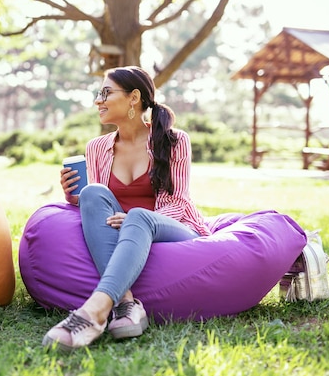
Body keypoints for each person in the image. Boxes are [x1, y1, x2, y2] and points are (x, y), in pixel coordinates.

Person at [42, 66, 211, 352]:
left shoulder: (174, 141)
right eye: (99, 93)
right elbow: (99, 206)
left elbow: (179, 200)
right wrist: (75, 198)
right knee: (92, 192)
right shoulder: (96, 147)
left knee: (140, 217)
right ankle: (126, 305)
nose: (98, 100)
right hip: (124, 233)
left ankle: (94, 312)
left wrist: (137, 219)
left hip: (172, 227)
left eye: (106, 93)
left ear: (134, 98)